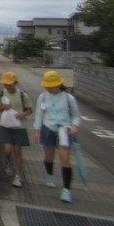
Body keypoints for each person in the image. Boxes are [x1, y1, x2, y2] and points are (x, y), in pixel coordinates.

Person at [33, 70, 81, 203]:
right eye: (47, 86)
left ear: (59, 84)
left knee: (65, 159)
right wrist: (37, 130)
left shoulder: (68, 98)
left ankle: (66, 189)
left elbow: (76, 116)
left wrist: (74, 126)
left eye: (52, 86)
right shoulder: (43, 97)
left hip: (64, 130)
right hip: (47, 128)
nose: (49, 88)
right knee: (49, 157)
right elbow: (39, 115)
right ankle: (50, 175)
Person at [0, 71, 33, 188]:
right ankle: (8, 161)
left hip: (19, 126)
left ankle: (17, 176)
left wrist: (23, 114)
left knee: (17, 151)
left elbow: (30, 109)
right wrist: (3, 107)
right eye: (5, 84)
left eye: (10, 84)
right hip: (6, 126)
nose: (8, 86)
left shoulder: (23, 95)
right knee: (7, 150)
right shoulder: (1, 93)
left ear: (15, 83)